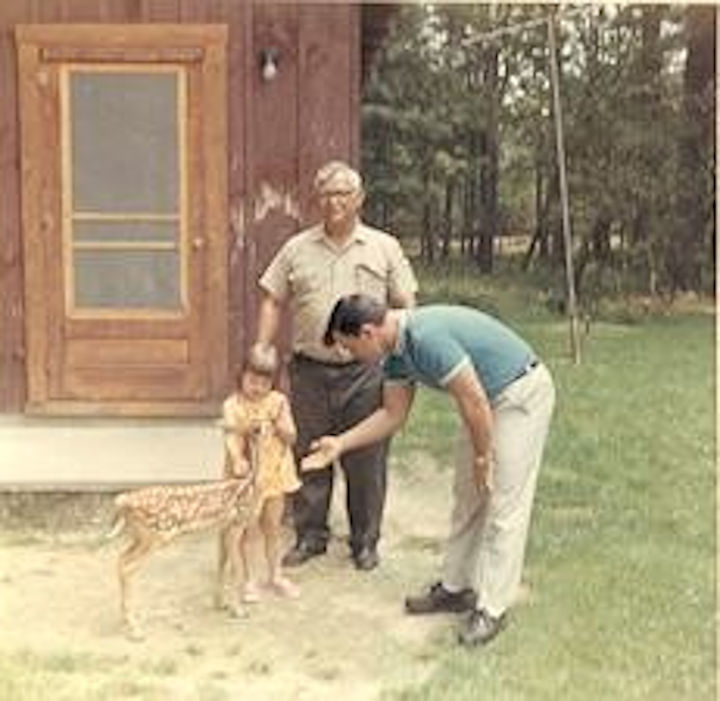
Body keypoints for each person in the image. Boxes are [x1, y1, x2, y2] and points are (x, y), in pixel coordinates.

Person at [302, 294, 555, 647]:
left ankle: (492, 608)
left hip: (518, 394)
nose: (349, 357)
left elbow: (474, 400)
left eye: (349, 347)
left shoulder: (426, 337)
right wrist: (340, 444)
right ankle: (455, 588)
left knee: (502, 503)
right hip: (483, 402)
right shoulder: (395, 355)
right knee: (467, 497)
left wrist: (484, 459)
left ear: (368, 332)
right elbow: (392, 415)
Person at [256, 160, 417, 571]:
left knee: (366, 457)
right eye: (327, 194)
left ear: (359, 199)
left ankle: (365, 540)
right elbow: (273, 299)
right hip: (310, 369)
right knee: (309, 453)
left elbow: (406, 303)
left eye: (344, 193)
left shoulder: (384, 248)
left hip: (366, 373)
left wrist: (403, 355)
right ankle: (310, 535)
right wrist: (262, 345)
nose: (335, 202)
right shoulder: (296, 249)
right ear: (317, 200)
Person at [222, 343, 301, 601]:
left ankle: (275, 574)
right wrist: (236, 459)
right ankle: (248, 579)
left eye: (264, 382)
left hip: (274, 472)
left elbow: (291, 436)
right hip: (246, 477)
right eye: (252, 380)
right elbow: (231, 436)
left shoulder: (278, 402)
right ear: (241, 375)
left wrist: (280, 426)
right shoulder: (233, 405)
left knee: (272, 526)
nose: (257, 387)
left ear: (273, 383)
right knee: (248, 528)